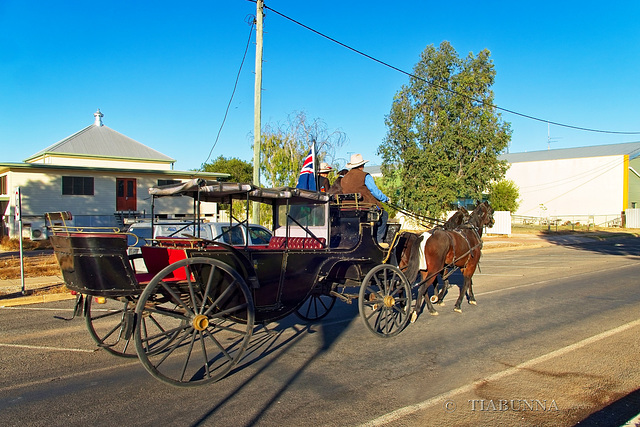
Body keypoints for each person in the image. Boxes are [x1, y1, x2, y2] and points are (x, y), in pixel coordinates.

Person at [340, 153, 390, 246]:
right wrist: (385, 199)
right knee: (384, 215)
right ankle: (379, 241)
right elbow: (374, 191)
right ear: (362, 165)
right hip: (363, 207)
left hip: (347, 208)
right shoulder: (365, 176)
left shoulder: (344, 178)